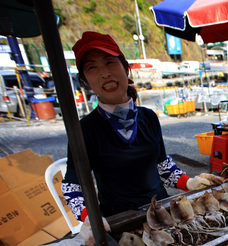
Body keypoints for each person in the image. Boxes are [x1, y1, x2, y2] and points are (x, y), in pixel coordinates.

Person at [61, 32, 218, 222]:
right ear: (85, 81)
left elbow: (162, 165)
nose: (104, 73)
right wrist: (91, 219)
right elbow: (72, 187)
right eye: (92, 67)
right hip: (120, 219)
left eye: (110, 62)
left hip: (163, 209)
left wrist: (188, 182)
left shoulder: (149, 117)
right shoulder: (84, 130)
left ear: (126, 68)